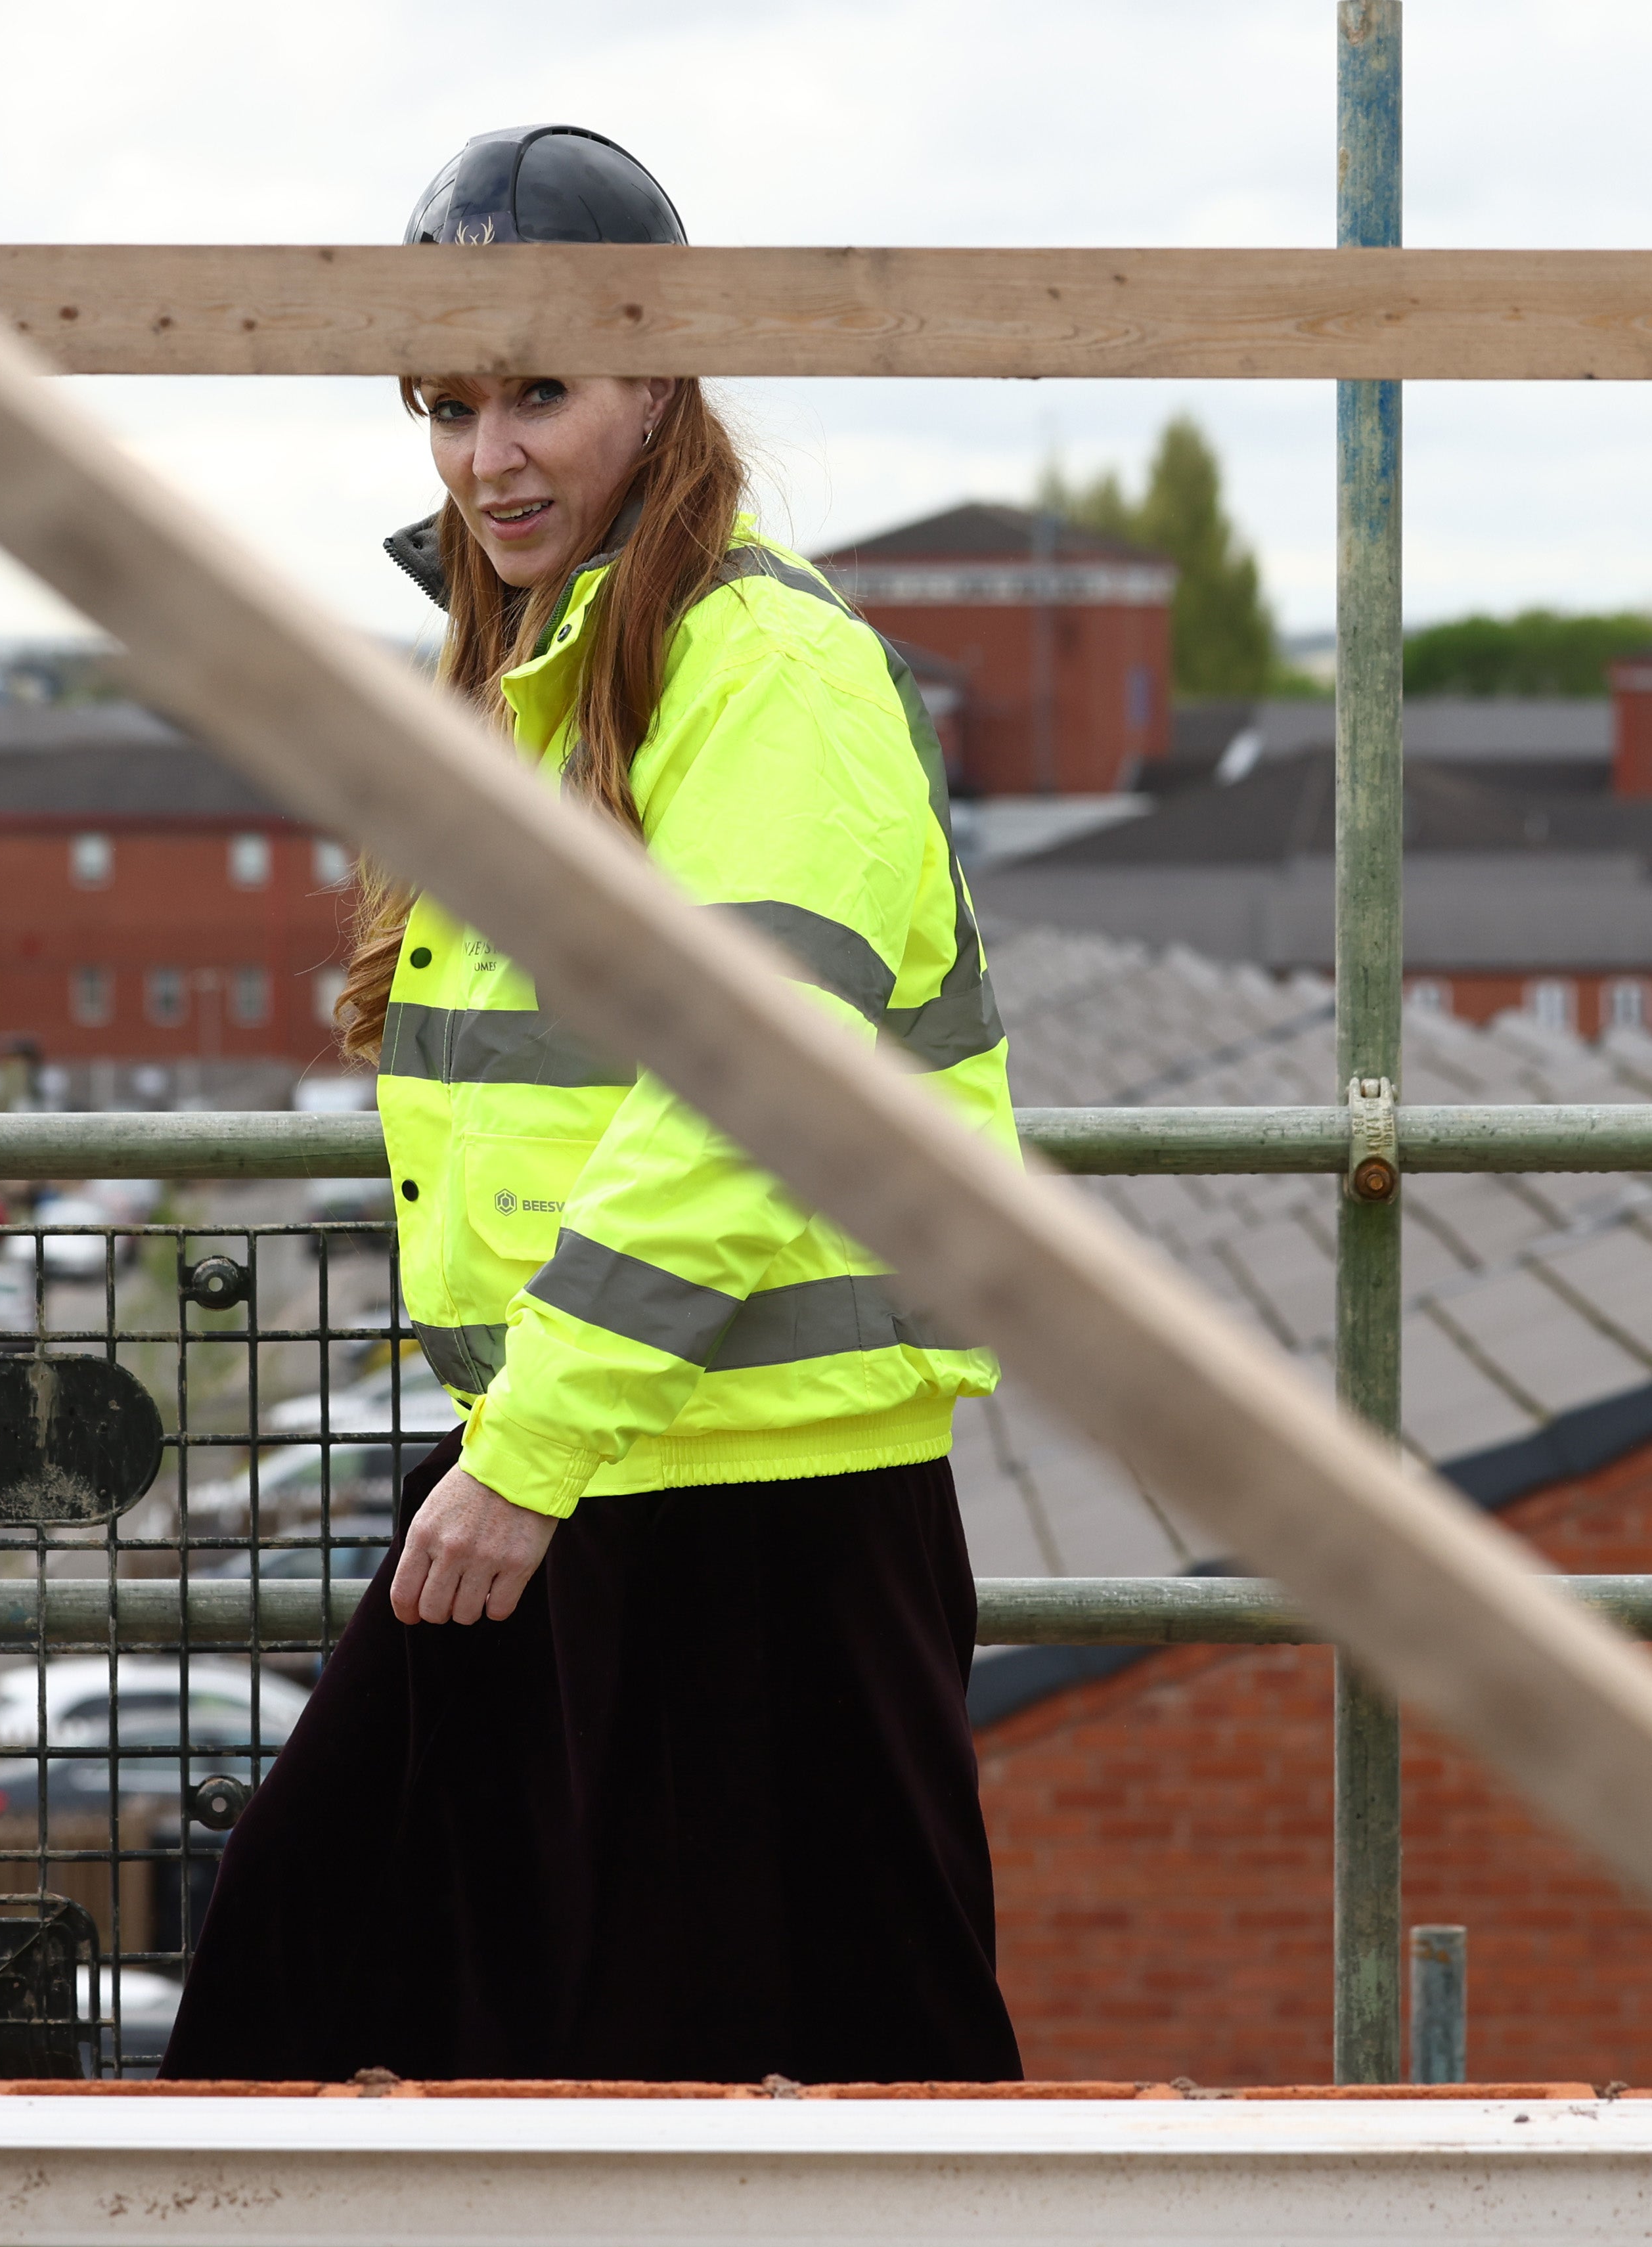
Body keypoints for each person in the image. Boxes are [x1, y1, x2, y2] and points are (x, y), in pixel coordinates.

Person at [158, 127, 1025, 2087]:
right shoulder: (534, 679)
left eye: (537, 392)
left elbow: (745, 1092)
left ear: (663, 380)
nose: (489, 458)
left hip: (749, 1491)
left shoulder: (770, 677)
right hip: (596, 1452)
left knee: (814, 2053)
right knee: (379, 1977)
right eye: (447, 406)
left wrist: (529, 1450)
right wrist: (532, 1443)